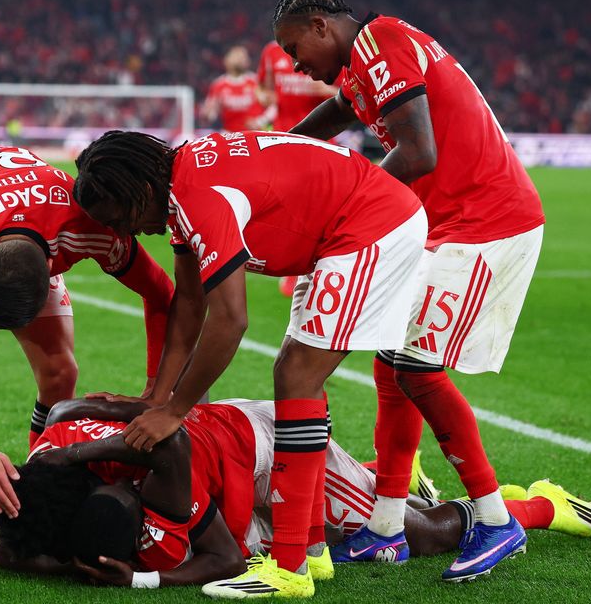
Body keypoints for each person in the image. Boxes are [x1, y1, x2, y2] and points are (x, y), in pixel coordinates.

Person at [72, 128, 429, 597]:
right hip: (341, 231)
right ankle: (311, 552)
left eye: (122, 218)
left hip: (371, 224)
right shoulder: (178, 183)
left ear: (141, 191)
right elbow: (189, 302)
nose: (125, 233)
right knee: (296, 374)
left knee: (297, 374)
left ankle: (290, 569)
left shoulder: (198, 198)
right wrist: (156, 398)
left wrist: (176, 411)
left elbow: (230, 320)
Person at [270, 0, 547, 582]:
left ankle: (498, 519)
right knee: (390, 363)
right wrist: (283, 152)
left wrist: (345, 208)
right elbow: (339, 112)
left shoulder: (382, 41)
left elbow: (418, 152)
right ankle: (386, 528)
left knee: (416, 368)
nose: (296, 65)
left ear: (321, 25)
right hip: (448, 225)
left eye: (296, 49)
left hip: (488, 222)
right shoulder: (370, 56)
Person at [0, 397, 591, 591]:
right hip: (223, 488)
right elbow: (15, 548)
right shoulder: (48, 466)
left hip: (265, 446)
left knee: (408, 535)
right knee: (359, 522)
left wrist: (138, 581)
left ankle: (537, 506)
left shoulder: (141, 477)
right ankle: (384, 480)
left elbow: (223, 559)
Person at [0, 146, 174, 570]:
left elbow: (161, 294)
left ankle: (35, 495)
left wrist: (156, 389)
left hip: (29, 221)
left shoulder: (90, 227)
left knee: (60, 371)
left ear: (52, 270)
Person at [256, 40, 339, 297]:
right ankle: (293, 270)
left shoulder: (327, 50)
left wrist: (323, 90)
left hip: (321, 139)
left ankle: (322, 269)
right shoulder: (270, 52)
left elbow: (346, 93)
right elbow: (261, 89)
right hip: (284, 138)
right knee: (289, 207)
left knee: (319, 210)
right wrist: (267, 99)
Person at [202, 46, 267, 133]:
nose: (241, 59)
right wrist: (209, 114)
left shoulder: (255, 81)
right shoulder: (219, 85)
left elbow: (272, 106)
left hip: (253, 134)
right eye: (237, 56)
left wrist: (260, 121)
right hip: (230, 135)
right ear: (227, 60)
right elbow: (211, 112)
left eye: (243, 57)